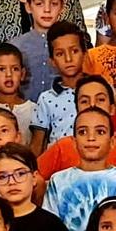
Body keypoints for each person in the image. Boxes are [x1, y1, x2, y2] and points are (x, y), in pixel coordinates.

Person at [38, 75, 116, 179]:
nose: (92, 105)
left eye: (100, 99)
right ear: (77, 109)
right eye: (84, 101)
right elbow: (33, 178)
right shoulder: (62, 148)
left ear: (112, 108)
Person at [31, 21, 89, 153]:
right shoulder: (46, 99)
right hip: (59, 166)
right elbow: (37, 144)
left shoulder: (98, 90)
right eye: (60, 54)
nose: (68, 59)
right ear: (52, 61)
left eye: (74, 51)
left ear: (85, 54)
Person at [0, 43, 37, 144]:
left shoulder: (34, 110)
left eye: (15, 69)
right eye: (1, 69)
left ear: (23, 74)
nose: (9, 75)